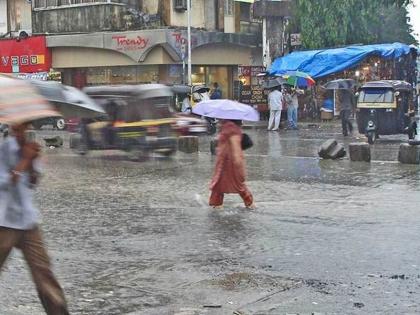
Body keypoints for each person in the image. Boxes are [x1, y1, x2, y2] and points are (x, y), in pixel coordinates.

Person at [0, 122, 69, 315]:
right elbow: (4, 183)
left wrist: (32, 165)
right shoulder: (3, 149)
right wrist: (23, 162)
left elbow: (32, 183)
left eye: (27, 127)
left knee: (44, 273)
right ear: (14, 128)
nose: (25, 131)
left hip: (28, 222)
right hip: (4, 222)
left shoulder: (30, 148)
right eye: (21, 128)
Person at [209, 120, 255, 209]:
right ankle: (216, 205)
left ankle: (250, 203)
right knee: (220, 184)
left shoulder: (231, 128)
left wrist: (237, 160)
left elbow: (235, 144)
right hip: (224, 161)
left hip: (229, 162)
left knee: (236, 184)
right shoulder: (227, 126)